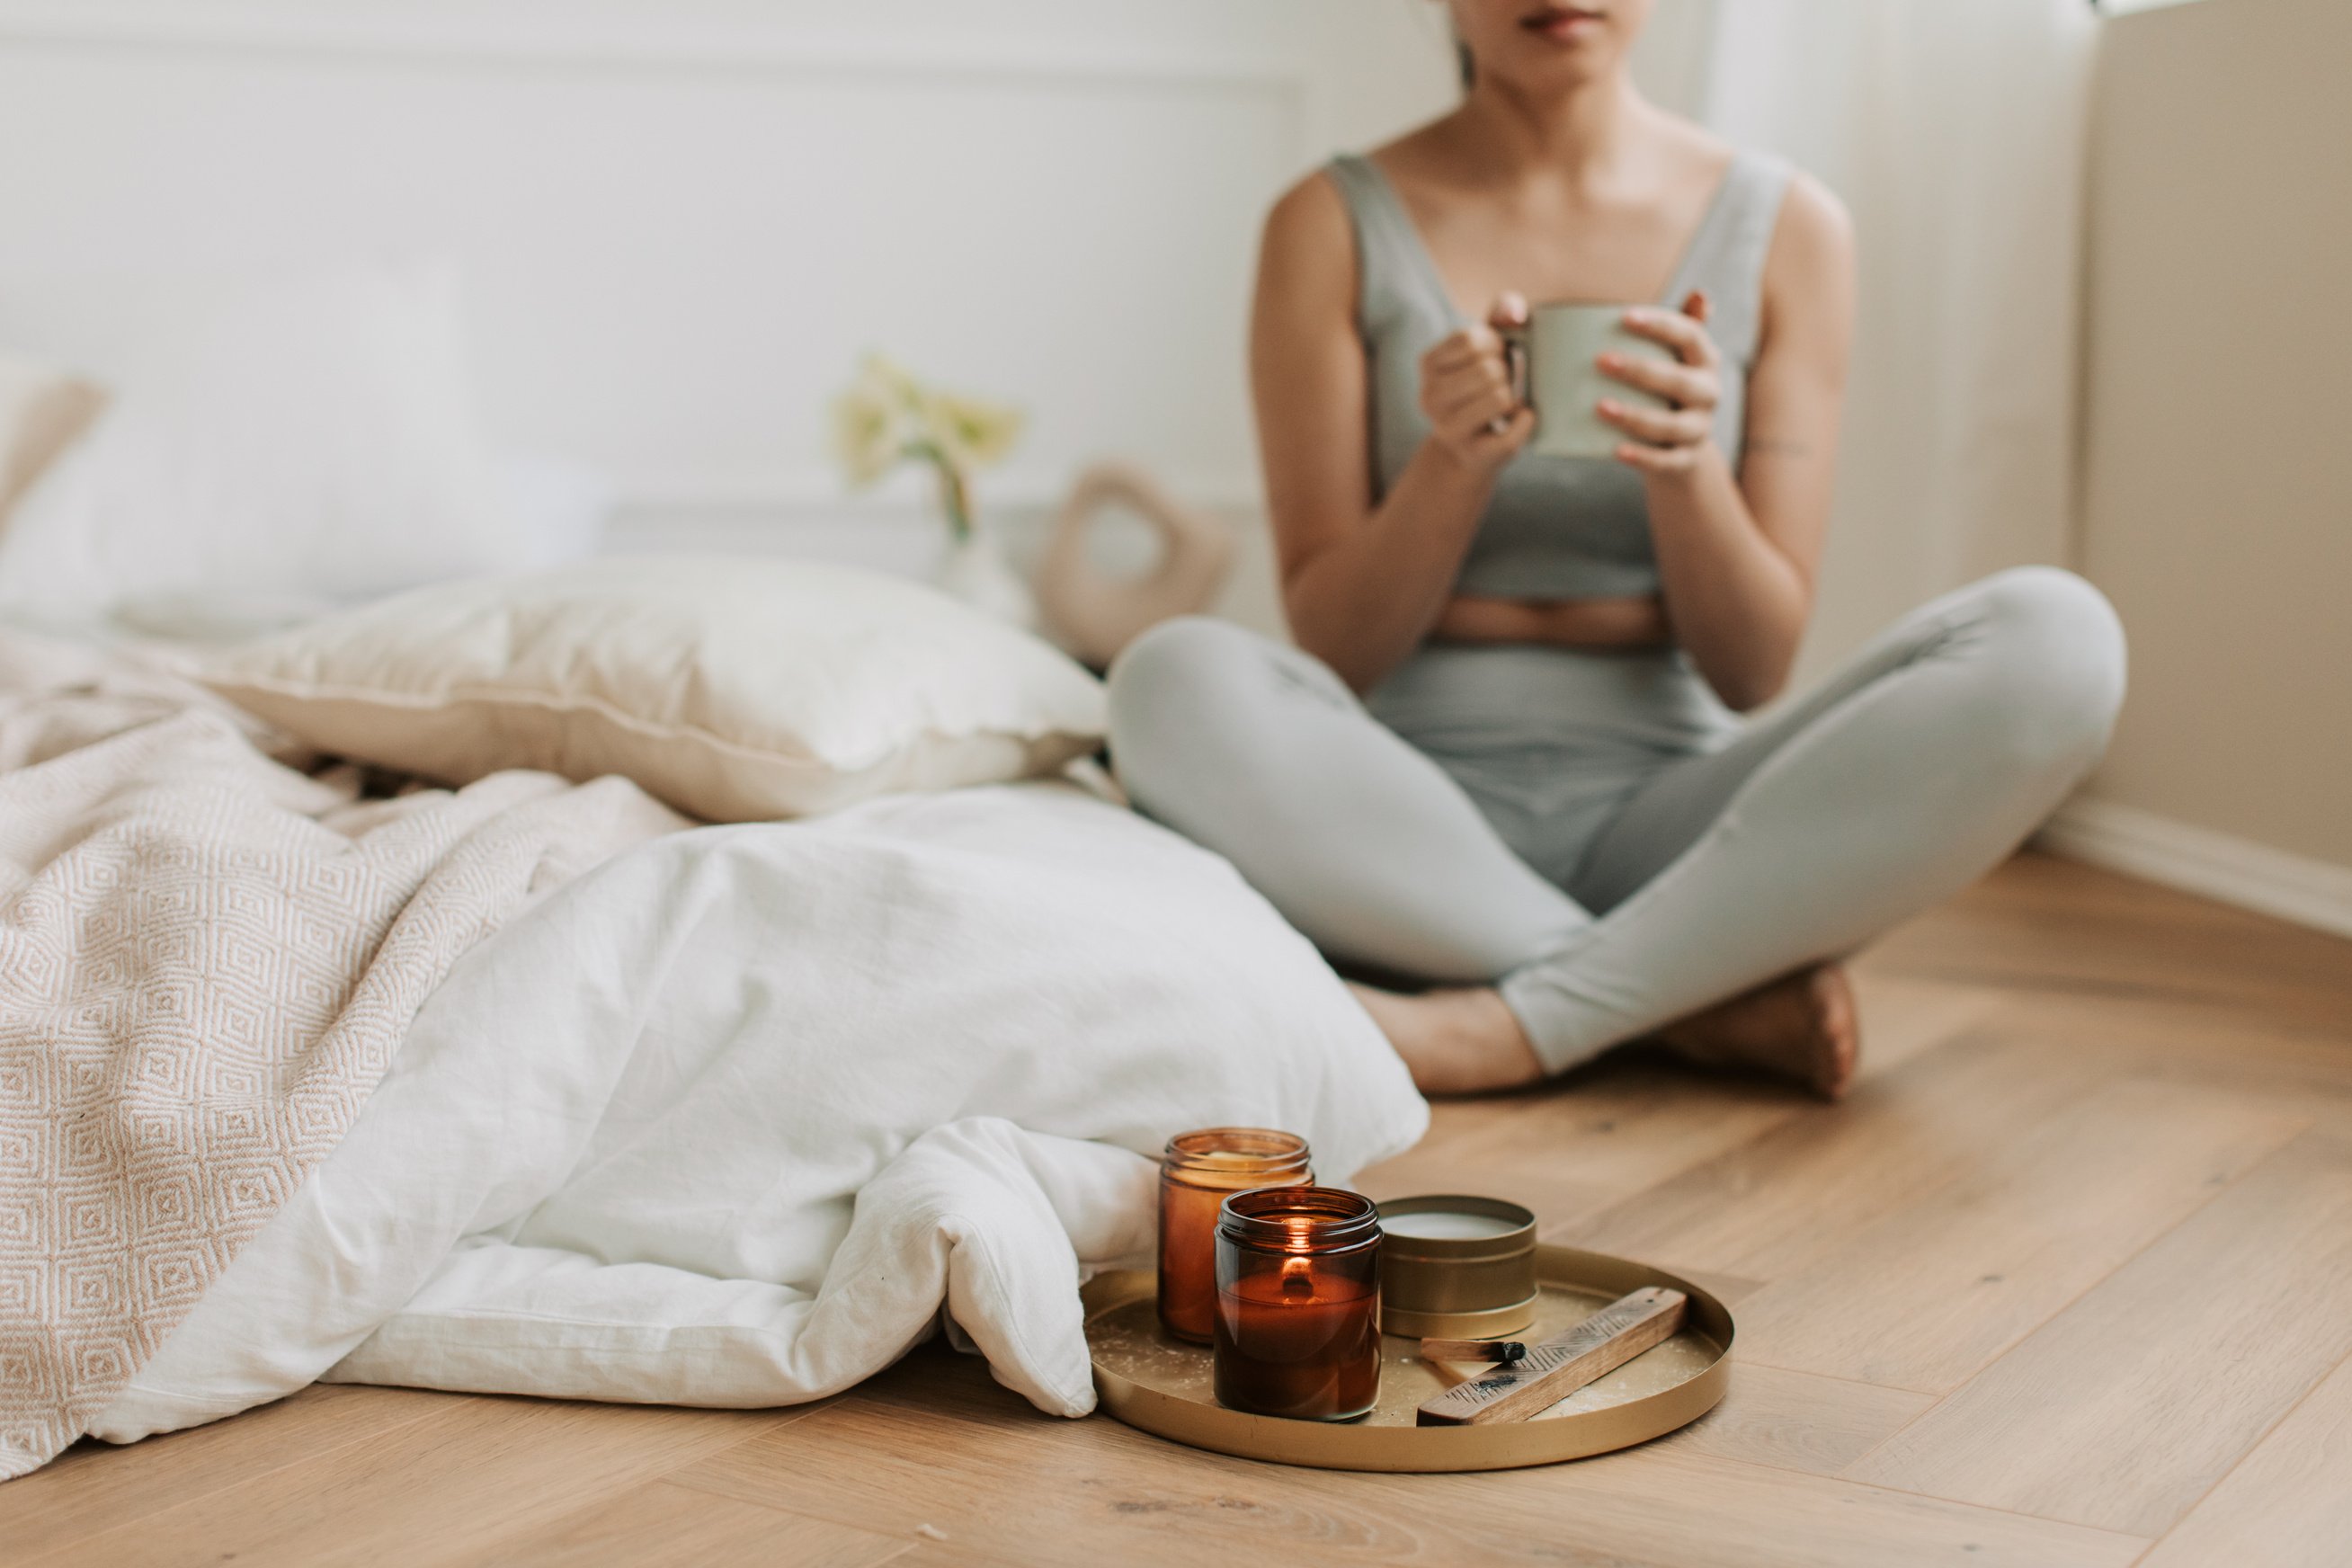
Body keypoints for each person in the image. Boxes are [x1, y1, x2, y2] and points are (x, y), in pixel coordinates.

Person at [1104, 0, 2126, 1100]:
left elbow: (1752, 668)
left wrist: (1687, 470)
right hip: (1401, 824)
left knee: (2059, 638)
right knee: (1167, 677)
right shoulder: (1325, 221)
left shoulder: (1789, 226)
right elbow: (1338, 649)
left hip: (1682, 825)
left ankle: (1516, 1018)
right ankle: (1688, 998)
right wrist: (1451, 465)